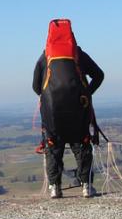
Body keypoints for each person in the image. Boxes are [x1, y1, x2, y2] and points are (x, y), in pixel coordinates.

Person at [32, 19, 104, 199]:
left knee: (53, 147)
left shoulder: (45, 56)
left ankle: (55, 188)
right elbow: (99, 75)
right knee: (82, 145)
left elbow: (35, 86)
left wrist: (46, 97)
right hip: (78, 110)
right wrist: (87, 93)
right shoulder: (78, 55)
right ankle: (87, 186)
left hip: (52, 114)